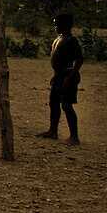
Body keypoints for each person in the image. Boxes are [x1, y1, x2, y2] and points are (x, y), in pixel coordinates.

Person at [37, 13, 83, 145]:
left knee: (67, 105)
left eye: (58, 23)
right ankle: (53, 131)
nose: (55, 26)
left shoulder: (71, 40)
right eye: (54, 23)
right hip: (59, 75)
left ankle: (74, 136)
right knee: (54, 102)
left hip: (68, 75)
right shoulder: (59, 39)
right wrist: (56, 76)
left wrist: (70, 77)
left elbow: (79, 60)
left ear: (67, 25)